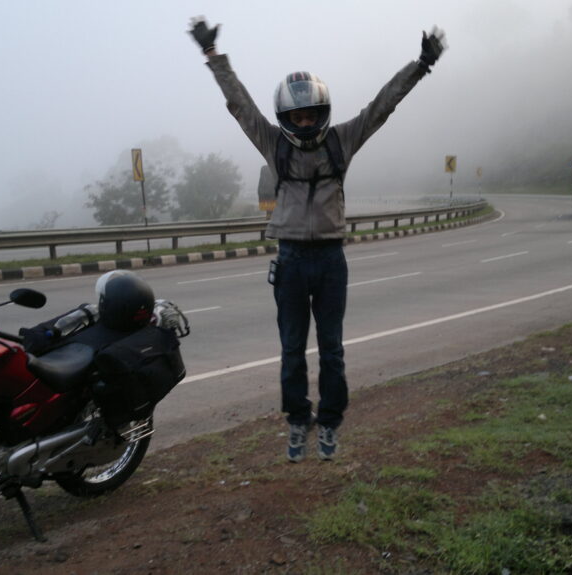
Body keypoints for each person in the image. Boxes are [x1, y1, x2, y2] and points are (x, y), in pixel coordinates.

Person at [188, 17, 445, 462]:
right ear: (285, 118)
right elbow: (241, 104)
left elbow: (383, 105)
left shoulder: (342, 141)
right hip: (289, 259)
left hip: (329, 259)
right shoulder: (275, 145)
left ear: (323, 113)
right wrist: (213, 57)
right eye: (297, 116)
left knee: (332, 349)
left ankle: (329, 422)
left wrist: (420, 65)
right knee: (291, 350)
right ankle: (296, 420)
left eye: (311, 114)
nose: (305, 122)